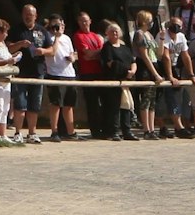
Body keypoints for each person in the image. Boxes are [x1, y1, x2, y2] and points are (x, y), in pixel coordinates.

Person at [4, 3, 48, 143]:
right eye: (25, 15)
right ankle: (18, 132)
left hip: (38, 71)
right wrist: (20, 44)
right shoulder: (16, 30)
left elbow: (52, 50)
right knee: (20, 104)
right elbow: (8, 48)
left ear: (35, 16)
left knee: (35, 104)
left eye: (30, 15)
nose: (28, 17)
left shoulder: (42, 30)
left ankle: (32, 133)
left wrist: (44, 51)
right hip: (20, 71)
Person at [130, 10, 168, 139]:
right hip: (145, 67)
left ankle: (152, 129)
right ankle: (146, 129)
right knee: (146, 99)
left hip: (154, 63)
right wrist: (155, 74)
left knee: (152, 100)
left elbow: (159, 53)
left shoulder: (150, 35)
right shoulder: (139, 34)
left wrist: (162, 38)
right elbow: (144, 56)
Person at [71, 11, 108, 139]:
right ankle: (96, 131)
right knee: (92, 104)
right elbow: (87, 55)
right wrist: (100, 52)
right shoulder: (78, 36)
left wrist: (96, 53)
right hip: (87, 73)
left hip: (100, 71)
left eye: (86, 20)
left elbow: (97, 53)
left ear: (90, 21)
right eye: (81, 21)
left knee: (103, 102)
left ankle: (105, 128)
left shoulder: (95, 36)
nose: (84, 23)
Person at [101, 20, 140, 140]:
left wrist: (132, 71)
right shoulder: (107, 48)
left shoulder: (125, 48)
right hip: (114, 81)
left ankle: (127, 131)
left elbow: (133, 62)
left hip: (127, 81)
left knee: (127, 106)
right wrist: (125, 71)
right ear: (107, 33)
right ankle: (114, 131)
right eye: (111, 31)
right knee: (114, 107)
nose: (114, 33)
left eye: (116, 31)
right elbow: (110, 64)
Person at [42, 14, 78, 140]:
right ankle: (54, 131)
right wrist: (56, 38)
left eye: (61, 25)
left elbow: (73, 53)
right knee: (55, 105)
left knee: (69, 105)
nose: (59, 27)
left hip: (69, 74)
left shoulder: (67, 38)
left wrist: (73, 57)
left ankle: (71, 132)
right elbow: (51, 52)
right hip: (55, 74)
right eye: (56, 25)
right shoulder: (47, 37)